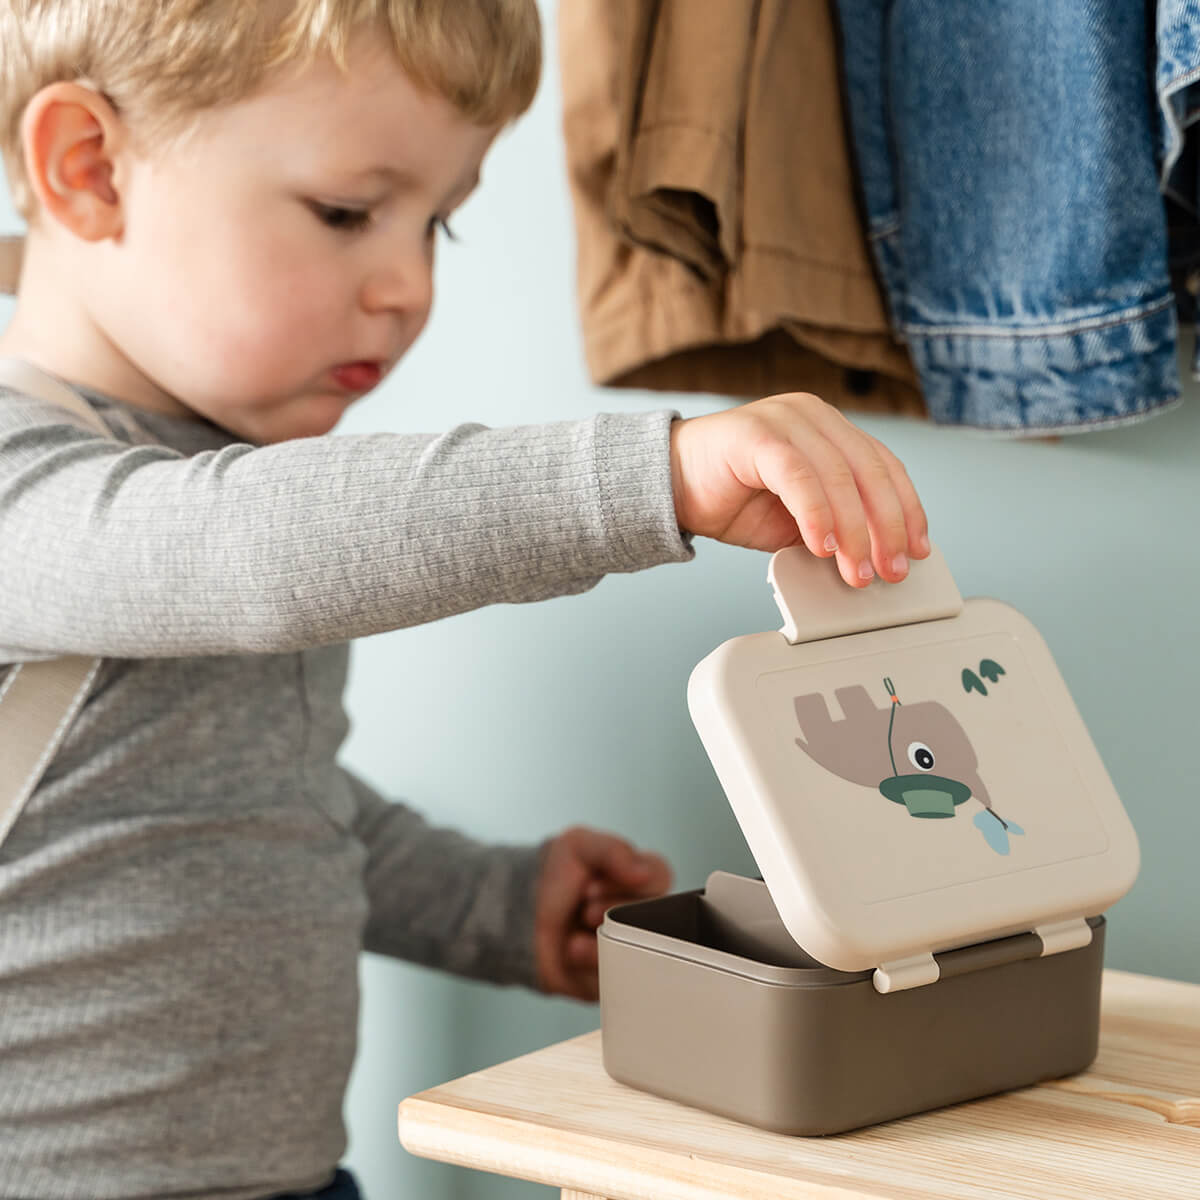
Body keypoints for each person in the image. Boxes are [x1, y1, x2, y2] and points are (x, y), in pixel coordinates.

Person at [0, 2, 930, 1197]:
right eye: (347, 212)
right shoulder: (44, 491)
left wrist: (493, 901)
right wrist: (654, 477)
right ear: (89, 170)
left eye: (438, 223)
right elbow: (245, 556)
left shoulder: (205, 479)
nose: (405, 286)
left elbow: (246, 807)